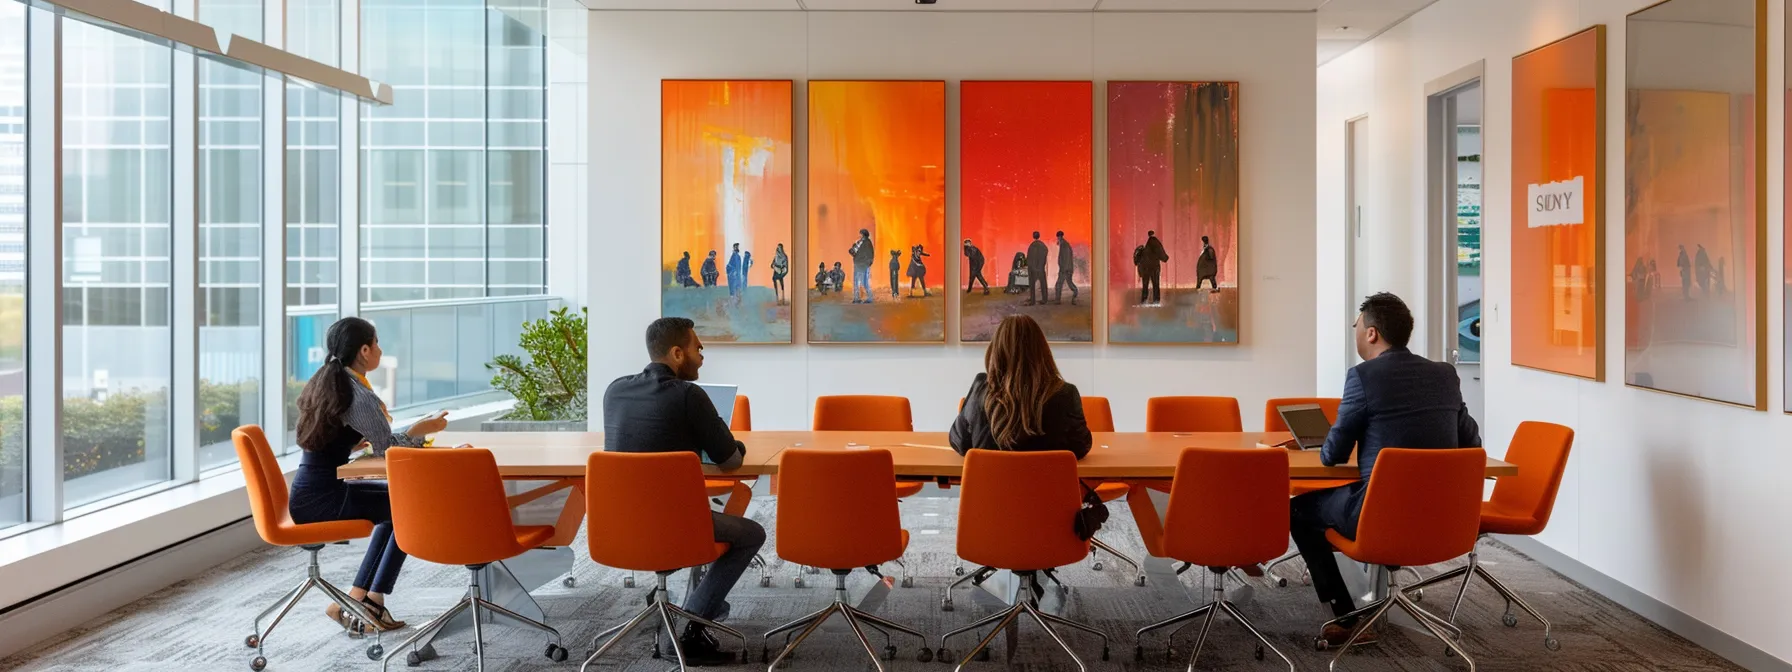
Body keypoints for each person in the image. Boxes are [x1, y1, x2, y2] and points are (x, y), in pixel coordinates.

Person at [1291, 293, 1481, 647]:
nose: (1355, 332)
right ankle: (1372, 596)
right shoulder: (1444, 374)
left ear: (1372, 334)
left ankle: (1347, 618)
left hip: (1378, 514)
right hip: (1446, 516)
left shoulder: (1363, 376)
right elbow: (1471, 444)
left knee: (1299, 511)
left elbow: (1332, 455)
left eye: (1356, 326)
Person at [602, 317, 765, 666]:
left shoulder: (614, 390)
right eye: (697, 348)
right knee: (752, 533)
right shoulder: (690, 395)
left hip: (618, 527)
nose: (702, 355)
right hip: (677, 526)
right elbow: (731, 460)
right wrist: (730, 440)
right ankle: (691, 623)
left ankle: (693, 607)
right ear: (678, 353)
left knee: (711, 519)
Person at [290, 317, 454, 634]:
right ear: (364, 350)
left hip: (311, 491)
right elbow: (388, 449)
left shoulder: (327, 380)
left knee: (399, 506)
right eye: (377, 343)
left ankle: (361, 600)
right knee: (410, 508)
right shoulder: (358, 395)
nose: (380, 349)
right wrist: (422, 429)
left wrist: (352, 443)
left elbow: (330, 439)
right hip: (324, 499)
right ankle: (367, 602)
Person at [949, 314, 1091, 457]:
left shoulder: (981, 388)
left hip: (991, 479)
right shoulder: (1065, 393)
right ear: (1042, 351)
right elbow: (1081, 446)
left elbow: (959, 442)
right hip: (1044, 479)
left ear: (996, 350)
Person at [1140, 230, 1169, 306]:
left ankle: (1144, 300)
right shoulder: (1155, 242)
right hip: (1154, 266)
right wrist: (1165, 258)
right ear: (1153, 234)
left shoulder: (1147, 244)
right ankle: (1156, 300)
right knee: (1156, 283)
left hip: (1145, 267)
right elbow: (1160, 251)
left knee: (1145, 284)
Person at [849, 228, 875, 304]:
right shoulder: (863, 243)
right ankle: (860, 298)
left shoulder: (864, 243)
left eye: (861, 234)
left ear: (863, 235)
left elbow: (870, 255)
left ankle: (866, 298)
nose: (859, 236)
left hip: (861, 264)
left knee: (861, 282)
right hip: (860, 264)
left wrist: (868, 263)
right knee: (860, 282)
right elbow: (853, 251)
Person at [1053, 230, 1077, 305]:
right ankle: (1074, 296)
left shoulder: (1064, 245)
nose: (1057, 239)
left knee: (1058, 285)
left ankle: (1057, 300)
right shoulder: (1064, 244)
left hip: (1065, 269)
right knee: (1070, 284)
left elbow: (1066, 258)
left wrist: (1064, 269)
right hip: (1066, 269)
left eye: (1058, 237)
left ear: (1059, 237)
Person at [1025, 232, 1049, 306]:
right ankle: (1044, 299)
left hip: (1033, 269)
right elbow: (1046, 252)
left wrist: (1030, 266)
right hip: (1040, 269)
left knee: (1032, 285)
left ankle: (1032, 301)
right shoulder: (1043, 245)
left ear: (1033, 236)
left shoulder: (1031, 246)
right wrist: (1042, 264)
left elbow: (1029, 258)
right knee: (1043, 284)